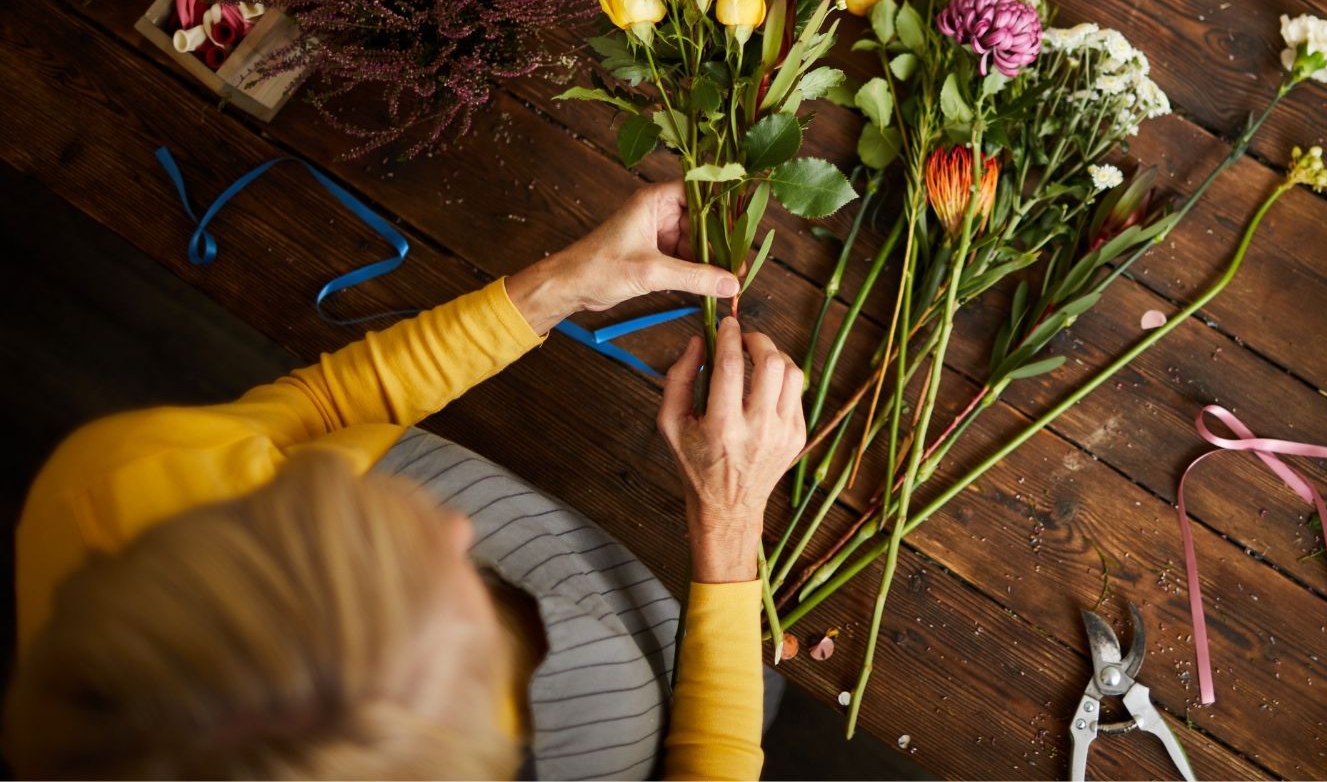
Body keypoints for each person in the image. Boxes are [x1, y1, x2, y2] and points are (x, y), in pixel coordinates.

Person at [3, 180, 805, 780]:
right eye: (450, 590)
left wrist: (562, 286)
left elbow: (316, 408)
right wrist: (729, 525)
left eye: (350, 521)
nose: (458, 529)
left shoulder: (113, 486)